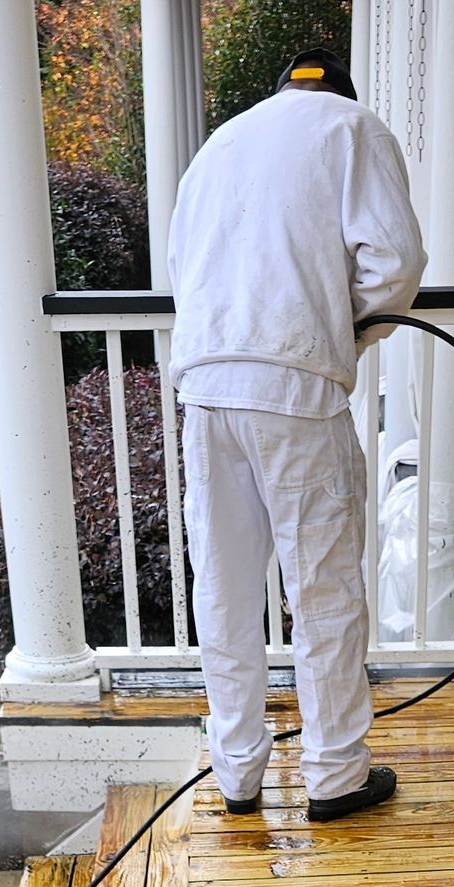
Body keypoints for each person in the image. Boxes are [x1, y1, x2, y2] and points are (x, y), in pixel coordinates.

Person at [168, 47, 425, 822]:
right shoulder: (355, 129)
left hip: (207, 388)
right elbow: (396, 260)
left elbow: (185, 264)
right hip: (295, 389)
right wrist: (338, 329)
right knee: (323, 588)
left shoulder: (220, 144)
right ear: (339, 91)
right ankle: (335, 775)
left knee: (226, 585)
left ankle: (238, 773)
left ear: (277, 89)